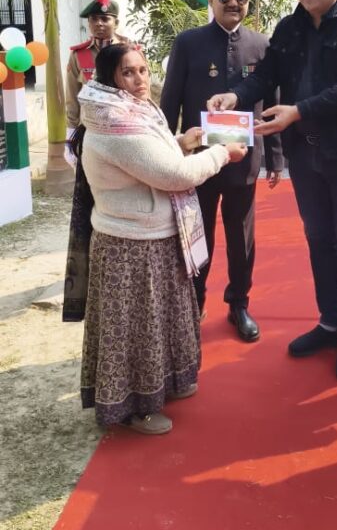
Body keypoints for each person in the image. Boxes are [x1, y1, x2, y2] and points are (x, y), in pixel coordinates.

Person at [207, 0, 337, 380]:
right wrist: (236, 96)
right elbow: (267, 76)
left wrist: (299, 111)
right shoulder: (289, 27)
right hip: (305, 154)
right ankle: (329, 322)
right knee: (318, 238)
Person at [72, 43, 246, 435]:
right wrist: (221, 154)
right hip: (130, 246)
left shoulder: (128, 111)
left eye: (143, 70)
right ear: (110, 79)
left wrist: (183, 142)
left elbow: (153, 155)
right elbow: (173, 176)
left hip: (152, 236)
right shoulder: (115, 125)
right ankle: (135, 408)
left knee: (159, 322)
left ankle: (165, 384)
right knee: (137, 332)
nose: (139, 80)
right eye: (127, 73)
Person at [160, 0, 283, 343]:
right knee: (199, 235)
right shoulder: (188, 43)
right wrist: (165, 150)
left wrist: (276, 158)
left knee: (241, 237)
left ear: (249, 2)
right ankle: (194, 303)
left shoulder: (262, 46)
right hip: (198, 161)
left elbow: (272, 104)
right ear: (211, 0)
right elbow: (170, 101)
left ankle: (239, 304)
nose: (233, 4)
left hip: (243, 160)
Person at [66, 0, 130, 131]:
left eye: (105, 19)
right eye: (93, 19)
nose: (99, 23)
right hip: (90, 129)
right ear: (88, 23)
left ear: (116, 23)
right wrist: (71, 132)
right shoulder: (78, 55)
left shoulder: (129, 51)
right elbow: (72, 97)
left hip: (125, 127)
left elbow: (141, 91)